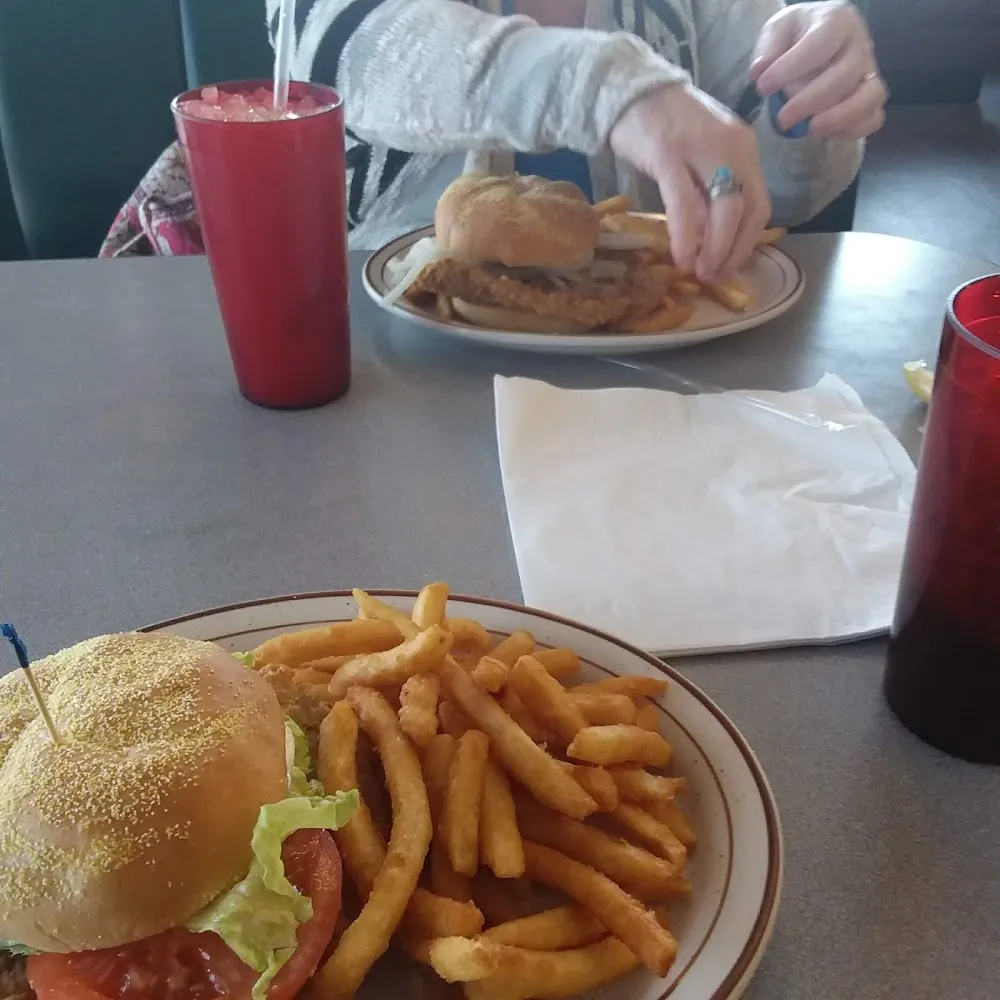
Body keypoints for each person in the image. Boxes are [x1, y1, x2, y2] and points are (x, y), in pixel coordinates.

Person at [103, 0, 885, 284]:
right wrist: (620, 91)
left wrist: (809, 104)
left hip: (653, 386)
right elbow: (351, 47)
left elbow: (775, 195)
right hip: (383, 382)